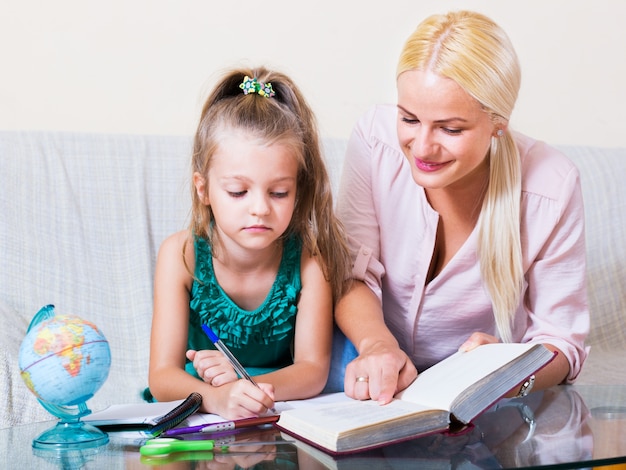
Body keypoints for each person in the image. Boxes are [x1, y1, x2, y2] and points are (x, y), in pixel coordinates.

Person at [334, 10, 589, 405]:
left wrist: (509, 369)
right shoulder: (374, 141)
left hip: (478, 402)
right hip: (369, 371)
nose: (422, 147)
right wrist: (377, 345)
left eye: (450, 129)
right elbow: (350, 272)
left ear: (498, 122)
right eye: (409, 118)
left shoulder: (552, 187)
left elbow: (562, 342)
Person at [148, 66, 351, 419]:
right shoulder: (180, 257)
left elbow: (313, 371)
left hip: (275, 418)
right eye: (238, 191)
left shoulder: (309, 263)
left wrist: (248, 388)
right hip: (196, 416)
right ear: (203, 188)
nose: (260, 209)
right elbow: (162, 378)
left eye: (279, 192)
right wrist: (218, 396)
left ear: (297, 190)